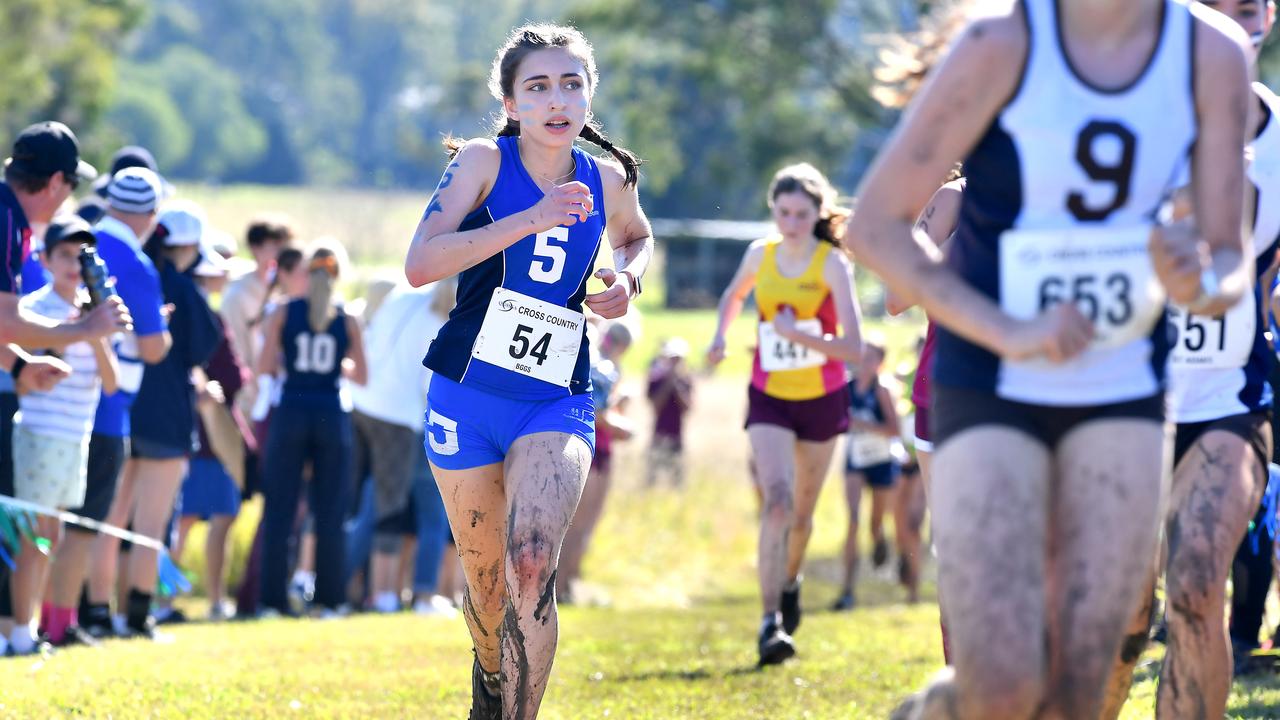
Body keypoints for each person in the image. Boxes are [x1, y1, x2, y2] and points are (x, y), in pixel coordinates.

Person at [848, 0, 1253, 717]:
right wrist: (1006, 328)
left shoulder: (1212, 51)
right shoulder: (998, 43)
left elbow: (1228, 254)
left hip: (1123, 384)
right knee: (1002, 680)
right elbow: (876, 225)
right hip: (991, 377)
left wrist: (1203, 281)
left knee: (1076, 683)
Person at [404, 23, 653, 719]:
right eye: (538, 86)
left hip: (555, 399)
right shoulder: (484, 162)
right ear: (511, 102)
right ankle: (490, 676)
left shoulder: (608, 177)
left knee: (533, 561)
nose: (556, 100)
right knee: (485, 585)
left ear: (589, 95)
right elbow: (421, 263)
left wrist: (628, 280)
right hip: (466, 394)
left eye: (572, 84)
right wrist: (530, 218)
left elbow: (637, 236)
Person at [1100, 1, 1280, 716]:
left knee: (1201, 583)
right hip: (1122, 399)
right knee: (1124, 618)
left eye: (1251, 4)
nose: (1239, 18)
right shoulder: (1130, 115)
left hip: (1230, 399)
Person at [707, 162, 863, 665]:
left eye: (801, 214)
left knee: (801, 515)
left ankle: (791, 580)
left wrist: (800, 335)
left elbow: (855, 347)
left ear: (818, 213)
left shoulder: (832, 264)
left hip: (821, 399)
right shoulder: (761, 254)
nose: (791, 222)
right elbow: (734, 294)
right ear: (773, 210)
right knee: (776, 501)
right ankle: (770, 620)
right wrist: (720, 335)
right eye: (783, 212)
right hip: (769, 395)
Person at [100, 200, 221, 639]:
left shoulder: (135, 275)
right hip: (168, 415)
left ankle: (100, 611)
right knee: (151, 525)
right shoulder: (187, 292)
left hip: (125, 406)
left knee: (110, 520)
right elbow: (204, 348)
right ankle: (136, 616)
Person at [8, 217, 118, 655]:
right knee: (32, 538)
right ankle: (20, 630)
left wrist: (93, 332)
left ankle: (30, 627)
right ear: (45, 259)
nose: (76, 265)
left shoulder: (99, 308)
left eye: (83, 256)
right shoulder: (33, 310)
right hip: (40, 433)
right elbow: (25, 380)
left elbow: (111, 385)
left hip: (77, 437)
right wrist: (72, 333)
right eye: (66, 255)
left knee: (51, 539)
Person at [71, 167, 172, 642]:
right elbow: (152, 349)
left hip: (57, 390)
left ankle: (65, 616)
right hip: (108, 400)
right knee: (91, 518)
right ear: (150, 214)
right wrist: (162, 328)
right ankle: (79, 618)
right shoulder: (135, 262)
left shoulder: (77, 238)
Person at [257, 242, 367, 616]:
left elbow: (265, 365)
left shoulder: (285, 312)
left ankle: (271, 600)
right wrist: (337, 365)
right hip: (331, 415)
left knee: (280, 508)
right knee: (331, 510)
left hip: (291, 411)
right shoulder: (347, 317)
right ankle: (330, 599)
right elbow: (362, 375)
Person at [347, 276, 457, 615]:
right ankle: (413, 595)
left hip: (362, 406)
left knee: (370, 505)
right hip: (402, 418)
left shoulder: (402, 295)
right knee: (424, 510)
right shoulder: (443, 316)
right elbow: (431, 386)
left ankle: (341, 585)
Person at [175, 244, 252, 621]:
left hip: (189, 433)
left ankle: (161, 600)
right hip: (210, 438)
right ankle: (213, 600)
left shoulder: (192, 311)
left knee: (185, 520)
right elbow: (234, 375)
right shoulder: (209, 317)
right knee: (211, 518)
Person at [557, 320, 634, 603]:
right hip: (592, 450)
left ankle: (567, 585)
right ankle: (561, 588)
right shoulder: (603, 367)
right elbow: (599, 413)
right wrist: (626, 428)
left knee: (581, 527)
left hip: (596, 449)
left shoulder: (601, 364)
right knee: (577, 527)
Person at [832, 340, 902, 610]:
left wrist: (860, 423)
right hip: (856, 460)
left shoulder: (882, 390)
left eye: (871, 358)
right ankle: (847, 590)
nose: (865, 363)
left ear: (880, 363)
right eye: (862, 357)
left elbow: (894, 429)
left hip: (882, 461)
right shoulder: (846, 388)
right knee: (852, 520)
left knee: (874, 523)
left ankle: (879, 539)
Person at [220, 215, 294, 419]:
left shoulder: (288, 293)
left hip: (284, 400)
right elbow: (237, 351)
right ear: (255, 248)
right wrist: (251, 401)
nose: (281, 254)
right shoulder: (237, 295)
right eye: (275, 246)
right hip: (252, 402)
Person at [645, 338, 693, 488]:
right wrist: (668, 384)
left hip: (677, 436)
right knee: (651, 478)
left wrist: (676, 387)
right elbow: (655, 405)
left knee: (677, 480)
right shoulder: (656, 380)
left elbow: (687, 408)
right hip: (659, 435)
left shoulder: (685, 381)